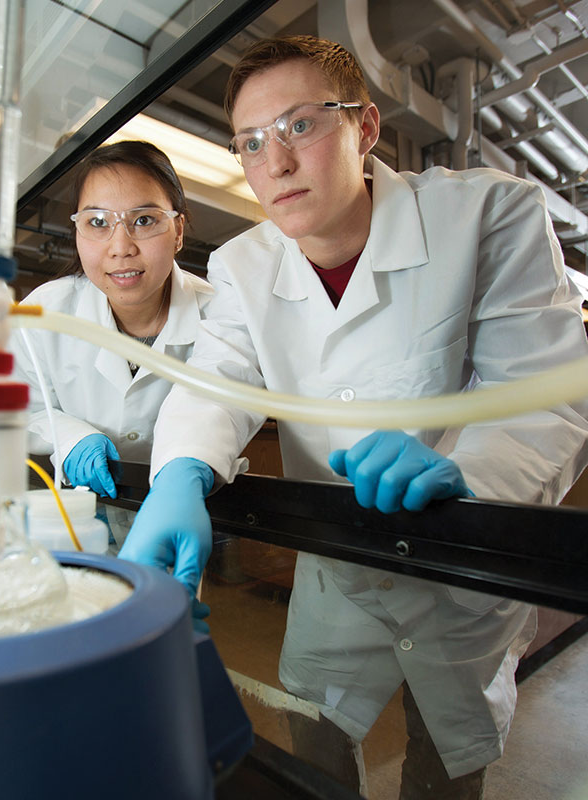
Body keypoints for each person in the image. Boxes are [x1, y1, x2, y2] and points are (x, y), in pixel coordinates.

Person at [118, 35, 588, 798]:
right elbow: (215, 384)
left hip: (460, 571)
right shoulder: (243, 265)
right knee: (311, 759)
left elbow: (549, 392)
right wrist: (180, 474)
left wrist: (466, 469)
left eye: (301, 125)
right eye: (250, 142)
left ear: (364, 128)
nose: (275, 161)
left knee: (446, 772)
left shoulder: (486, 214)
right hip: (336, 576)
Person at [10, 140, 213, 551]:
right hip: (70, 529)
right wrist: (69, 438)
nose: (121, 246)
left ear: (178, 230)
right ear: (78, 232)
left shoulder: (220, 317)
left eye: (143, 220)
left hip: (174, 529)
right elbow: (13, 406)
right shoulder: (45, 312)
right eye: (98, 222)